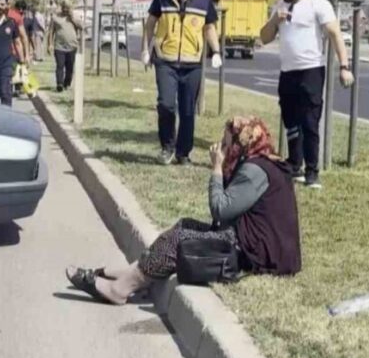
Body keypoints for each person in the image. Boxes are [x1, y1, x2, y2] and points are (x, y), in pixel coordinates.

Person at [65, 116, 301, 305]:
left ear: (241, 145)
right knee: (184, 225)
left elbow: (220, 210)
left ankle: (120, 289)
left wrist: (217, 168)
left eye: (227, 143)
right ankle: (130, 272)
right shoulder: (257, 162)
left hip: (255, 253)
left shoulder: (254, 171)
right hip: (248, 241)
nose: (221, 147)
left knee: (180, 240)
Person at [259, 0, 353, 189]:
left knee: (310, 122)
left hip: (311, 70)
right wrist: (275, 21)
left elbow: (335, 35)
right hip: (287, 72)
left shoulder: (318, 5)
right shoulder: (280, 7)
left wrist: (344, 66)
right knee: (290, 120)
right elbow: (264, 38)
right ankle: (295, 164)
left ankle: (312, 171)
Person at [141, 0, 223, 166]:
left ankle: (183, 153)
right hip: (165, 61)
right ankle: (167, 147)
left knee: (187, 111)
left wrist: (216, 51)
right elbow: (150, 24)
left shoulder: (204, 1)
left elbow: (210, 28)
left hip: (192, 64)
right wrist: (145, 50)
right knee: (166, 105)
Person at [46, 0, 81, 92]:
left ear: (70, 8)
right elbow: (51, 32)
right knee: (60, 65)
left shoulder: (74, 17)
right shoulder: (55, 17)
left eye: (67, 8)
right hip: (59, 46)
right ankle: (59, 84)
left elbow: (81, 26)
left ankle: (67, 83)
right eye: (64, 7)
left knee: (70, 67)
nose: (65, 9)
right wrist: (49, 44)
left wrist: (72, 18)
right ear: (61, 7)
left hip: (72, 46)